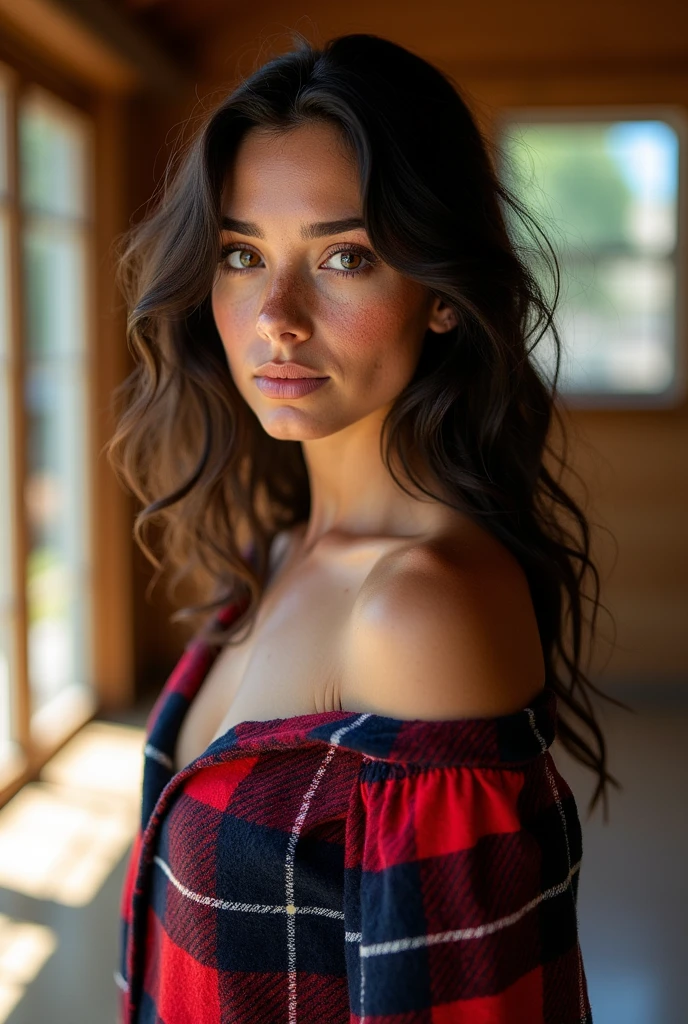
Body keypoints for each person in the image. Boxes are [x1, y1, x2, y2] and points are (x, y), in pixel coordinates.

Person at [108, 31, 624, 1023]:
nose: (276, 316)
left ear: (438, 295)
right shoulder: (270, 553)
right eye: (241, 253)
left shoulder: (418, 614)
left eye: (344, 255)